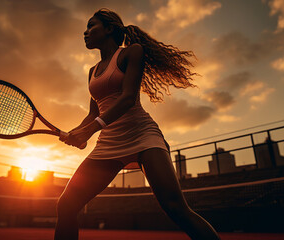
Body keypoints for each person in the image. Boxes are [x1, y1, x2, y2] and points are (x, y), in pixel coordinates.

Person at [55, 8, 221, 240]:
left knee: (176, 209)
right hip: (108, 144)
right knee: (66, 205)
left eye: (91, 26)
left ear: (110, 28)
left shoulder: (132, 52)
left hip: (143, 137)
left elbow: (127, 98)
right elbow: (94, 111)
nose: (85, 32)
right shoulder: (92, 71)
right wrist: (78, 132)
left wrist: (88, 131)